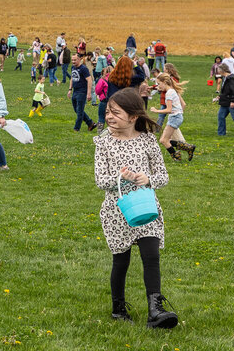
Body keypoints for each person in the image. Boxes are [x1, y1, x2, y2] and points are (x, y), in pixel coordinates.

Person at [94, 88, 178, 329]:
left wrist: (147, 179)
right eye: (108, 112)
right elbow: (100, 180)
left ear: (133, 117)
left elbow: (163, 176)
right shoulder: (103, 143)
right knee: (121, 261)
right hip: (117, 211)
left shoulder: (148, 141)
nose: (109, 117)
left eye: (115, 113)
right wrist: (121, 178)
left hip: (146, 206)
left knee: (151, 256)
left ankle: (156, 310)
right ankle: (118, 309)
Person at [150, 73, 195, 162]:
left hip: (175, 117)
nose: (158, 86)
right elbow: (181, 105)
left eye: (159, 83)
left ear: (164, 82)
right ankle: (187, 149)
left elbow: (169, 110)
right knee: (165, 140)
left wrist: (156, 110)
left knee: (164, 140)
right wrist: (158, 88)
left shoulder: (169, 93)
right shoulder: (171, 91)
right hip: (175, 117)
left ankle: (179, 155)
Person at [69, 53, 98, 132]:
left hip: (82, 92)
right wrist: (70, 89)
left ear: (79, 59)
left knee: (80, 111)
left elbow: (89, 80)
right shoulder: (73, 67)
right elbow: (72, 78)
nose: (73, 61)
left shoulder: (83, 68)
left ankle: (76, 128)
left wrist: (88, 93)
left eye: (75, 60)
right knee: (76, 110)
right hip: (75, 91)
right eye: (72, 60)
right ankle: (90, 123)